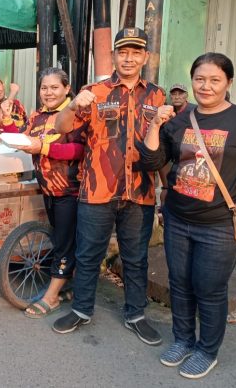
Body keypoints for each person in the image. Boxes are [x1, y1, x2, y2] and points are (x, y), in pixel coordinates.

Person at [140, 52, 236, 379]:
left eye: (215, 80)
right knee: (179, 283)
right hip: (178, 219)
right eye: (200, 79)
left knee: (209, 288)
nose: (206, 86)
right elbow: (153, 161)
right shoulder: (180, 121)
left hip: (220, 226)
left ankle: (206, 349)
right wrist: (156, 124)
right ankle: (184, 340)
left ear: (229, 82)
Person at [52, 27, 165, 346]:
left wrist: (165, 189)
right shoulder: (94, 92)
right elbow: (61, 128)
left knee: (136, 258)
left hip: (140, 191)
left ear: (145, 56)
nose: (128, 58)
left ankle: (136, 314)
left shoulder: (157, 95)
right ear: (114, 55)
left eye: (135, 52)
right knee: (88, 254)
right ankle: (82, 310)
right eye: (122, 52)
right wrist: (74, 104)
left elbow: (161, 146)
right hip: (97, 190)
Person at [16, 68, 85, 318]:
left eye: (54, 87)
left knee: (64, 243)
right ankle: (74, 287)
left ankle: (52, 296)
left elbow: (78, 150)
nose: (48, 92)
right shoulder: (36, 115)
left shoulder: (77, 113)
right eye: (44, 88)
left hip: (71, 189)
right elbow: (25, 138)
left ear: (67, 89)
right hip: (47, 187)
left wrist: (42, 147)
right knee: (63, 238)